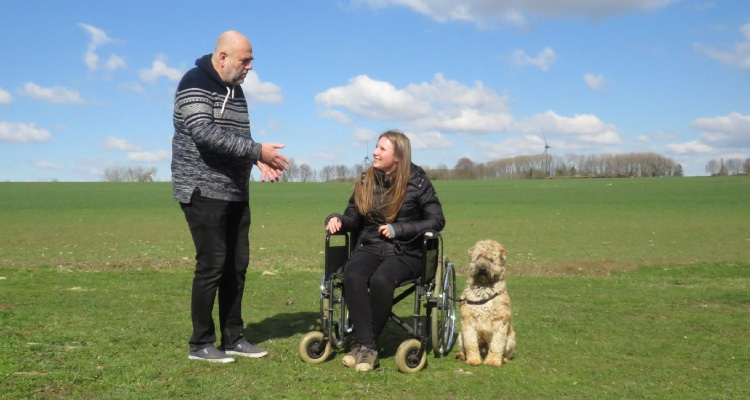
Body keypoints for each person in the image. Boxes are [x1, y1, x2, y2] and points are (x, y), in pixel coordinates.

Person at [172, 30, 290, 363]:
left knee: (236, 266)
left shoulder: (236, 92)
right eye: (245, 59)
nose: (250, 66)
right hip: (201, 189)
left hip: (236, 191)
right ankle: (201, 344)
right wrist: (256, 149)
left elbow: (238, 138)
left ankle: (234, 338)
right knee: (212, 265)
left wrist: (257, 158)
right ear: (223, 57)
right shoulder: (193, 82)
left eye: (251, 60)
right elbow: (205, 133)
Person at [325, 130, 446, 372]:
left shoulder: (418, 182)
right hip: (370, 246)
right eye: (376, 147)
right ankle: (367, 347)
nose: (374, 152)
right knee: (353, 273)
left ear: (398, 157)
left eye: (381, 149)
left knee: (382, 279)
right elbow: (354, 219)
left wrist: (398, 229)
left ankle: (364, 347)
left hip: (407, 251)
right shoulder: (366, 180)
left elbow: (437, 221)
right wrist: (337, 219)